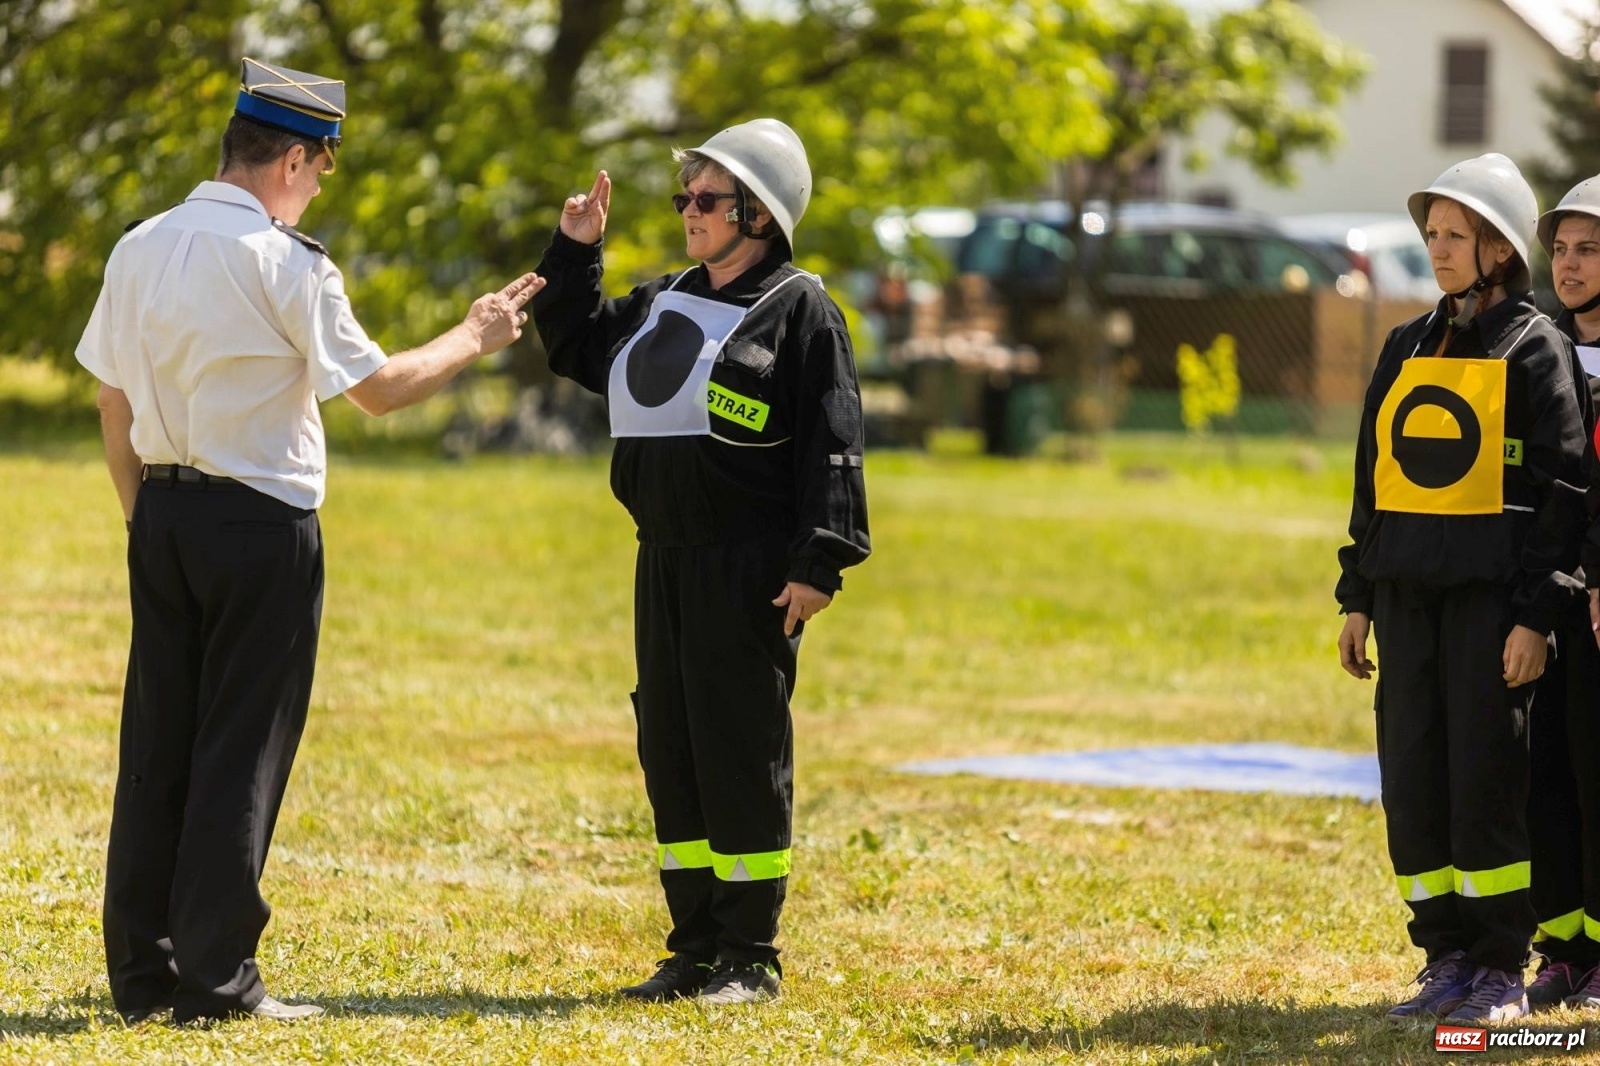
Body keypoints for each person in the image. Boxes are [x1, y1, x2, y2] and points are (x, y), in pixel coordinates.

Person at [75, 58, 542, 1024]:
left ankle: (144, 975)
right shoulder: (287, 262)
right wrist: (476, 334)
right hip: (258, 525)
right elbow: (376, 389)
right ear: (293, 157)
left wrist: (142, 519)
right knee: (241, 746)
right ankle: (217, 984)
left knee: (158, 742)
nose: (319, 185)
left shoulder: (141, 245)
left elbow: (110, 398)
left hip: (159, 512)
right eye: (322, 168)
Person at [530, 119, 871, 1006]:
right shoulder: (665, 296)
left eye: (706, 198)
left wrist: (818, 562)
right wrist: (574, 252)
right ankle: (692, 947)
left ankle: (749, 955)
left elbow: (833, 443)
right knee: (670, 744)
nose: (688, 210)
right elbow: (573, 345)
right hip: (664, 561)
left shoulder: (802, 309)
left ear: (758, 214)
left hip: (750, 567)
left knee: (738, 746)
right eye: (684, 196)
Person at [1335, 153, 1588, 1025]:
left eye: (1455, 235)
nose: (1437, 249)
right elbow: (1374, 479)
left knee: (1486, 781)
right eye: (1432, 233)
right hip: (1406, 602)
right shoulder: (1406, 345)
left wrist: (1535, 616)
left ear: (1499, 247)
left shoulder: (1536, 347)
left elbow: (1566, 491)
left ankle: (1495, 970)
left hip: (1491, 608)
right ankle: (1442, 957)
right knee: (1414, 779)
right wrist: (1357, 594)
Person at [1522, 179, 1600, 1010]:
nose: (1570, 266)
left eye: (1590, 249)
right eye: (1563, 249)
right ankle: (1563, 949)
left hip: (1597, 604)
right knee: (1544, 777)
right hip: (1545, 602)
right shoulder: (1539, 346)